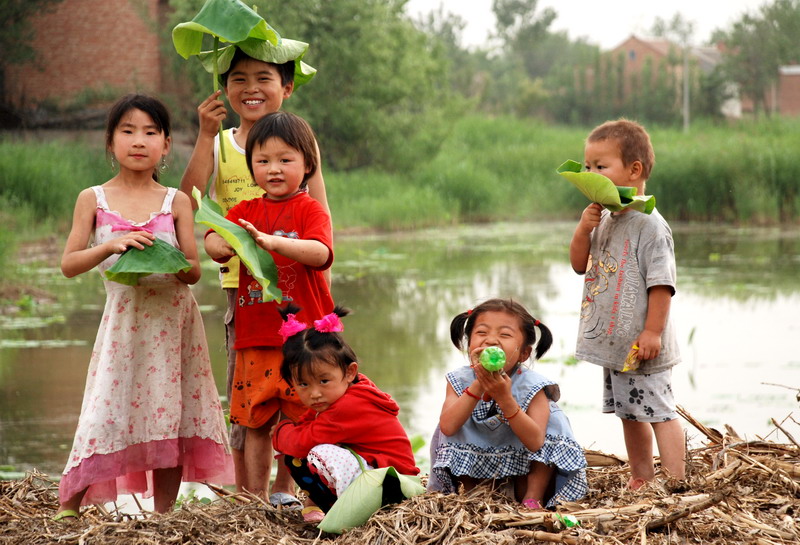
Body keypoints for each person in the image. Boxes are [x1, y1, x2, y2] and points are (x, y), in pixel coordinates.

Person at [55, 94, 232, 521]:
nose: (139, 141)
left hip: (174, 324)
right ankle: (69, 506)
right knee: (103, 411)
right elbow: (68, 264)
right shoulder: (92, 199)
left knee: (170, 413)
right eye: (128, 131)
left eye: (151, 133)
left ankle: (164, 513)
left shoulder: (177, 202)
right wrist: (113, 246)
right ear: (110, 142)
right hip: (122, 324)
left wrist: (170, 259)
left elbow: (192, 270)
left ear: (166, 145)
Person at [179, 41, 329, 507]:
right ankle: (248, 496)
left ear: (286, 87)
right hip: (243, 298)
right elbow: (190, 202)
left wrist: (302, 257)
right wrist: (206, 134)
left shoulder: (301, 145)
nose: (251, 88)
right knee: (250, 400)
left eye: (263, 78)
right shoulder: (224, 143)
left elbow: (323, 232)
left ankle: (286, 491)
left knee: (301, 393)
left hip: (299, 296)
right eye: (238, 79)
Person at [203, 110, 334, 502]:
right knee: (256, 419)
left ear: (307, 165)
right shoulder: (245, 213)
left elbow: (320, 252)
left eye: (285, 160)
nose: (273, 169)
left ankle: (300, 493)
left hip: (303, 339)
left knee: (305, 417)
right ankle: (256, 497)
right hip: (256, 336)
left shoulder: (310, 210)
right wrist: (222, 245)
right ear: (252, 167)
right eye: (263, 161)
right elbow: (212, 237)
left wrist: (277, 243)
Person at [569, 119, 684, 489]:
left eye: (601, 167)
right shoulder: (603, 217)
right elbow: (577, 264)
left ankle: (675, 480)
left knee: (660, 412)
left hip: (643, 342)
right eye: (587, 167)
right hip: (617, 345)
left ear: (634, 171)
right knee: (630, 413)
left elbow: (661, 285)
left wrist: (653, 332)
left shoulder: (650, 225)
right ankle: (641, 476)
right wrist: (583, 229)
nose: (591, 174)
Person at [431, 298, 588, 509]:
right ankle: (468, 498)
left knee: (553, 419)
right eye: (481, 333)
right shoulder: (459, 381)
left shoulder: (535, 386)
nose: (491, 341)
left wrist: (505, 399)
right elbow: (448, 427)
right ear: (469, 346)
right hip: (479, 478)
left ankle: (533, 498)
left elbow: (535, 442)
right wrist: (479, 384)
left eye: (504, 335)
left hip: (522, 474)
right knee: (455, 415)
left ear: (524, 353)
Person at [272, 305, 419, 523]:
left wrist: (280, 432)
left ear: (350, 372)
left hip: (393, 487)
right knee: (300, 454)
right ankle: (321, 504)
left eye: (324, 381)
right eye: (303, 384)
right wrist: (289, 435)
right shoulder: (340, 393)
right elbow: (306, 425)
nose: (314, 393)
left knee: (316, 453)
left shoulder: (349, 406)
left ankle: (342, 510)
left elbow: (302, 441)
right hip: (376, 477)